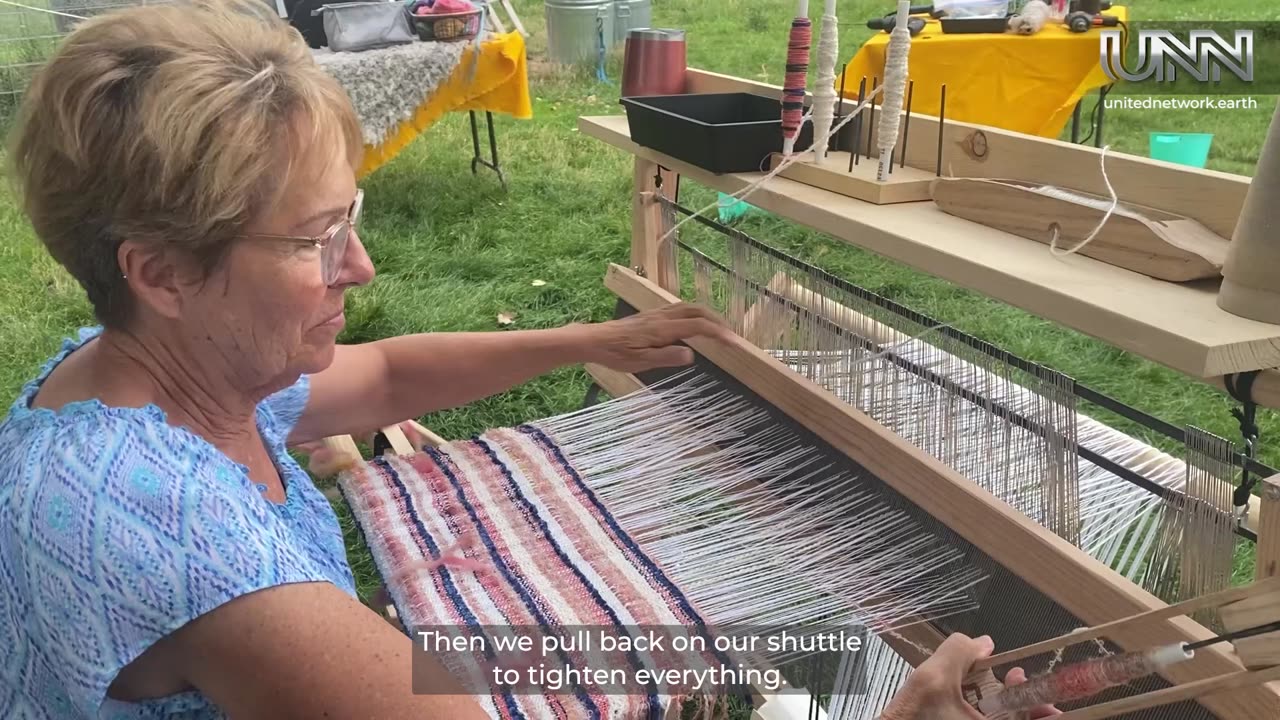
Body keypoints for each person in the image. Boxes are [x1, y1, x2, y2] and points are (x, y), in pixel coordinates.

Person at [0, 2, 1054, 718]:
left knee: (754, 650)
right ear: (164, 272)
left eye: (351, 217)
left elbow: (381, 380)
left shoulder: (137, 372)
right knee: (796, 667)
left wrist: (592, 339)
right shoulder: (177, 540)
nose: (358, 266)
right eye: (314, 239)